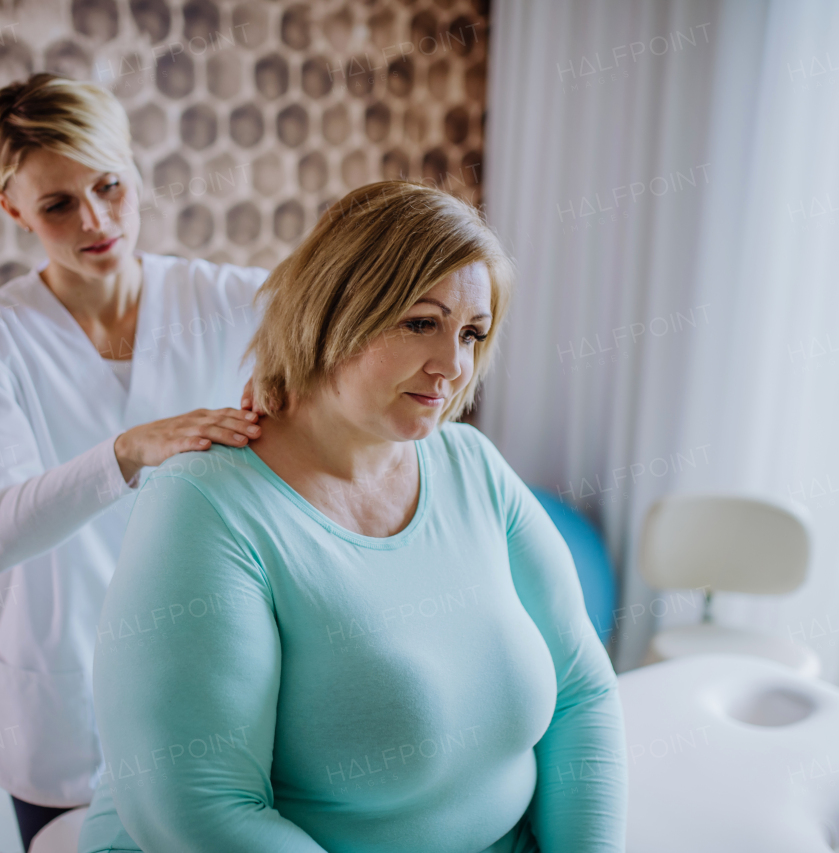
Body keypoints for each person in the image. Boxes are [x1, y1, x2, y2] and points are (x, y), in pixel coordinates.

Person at [78, 181, 627, 853]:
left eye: (472, 333)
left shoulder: (472, 466)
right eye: (421, 322)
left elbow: (582, 693)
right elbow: (199, 808)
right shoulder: (206, 505)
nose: (452, 365)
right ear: (335, 311)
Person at [0, 73, 268, 850]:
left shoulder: (231, 300)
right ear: (12, 208)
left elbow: (339, 325)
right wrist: (127, 450)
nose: (96, 220)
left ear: (134, 170)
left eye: (111, 185)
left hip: (206, 688)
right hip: (61, 704)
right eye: (57, 205)